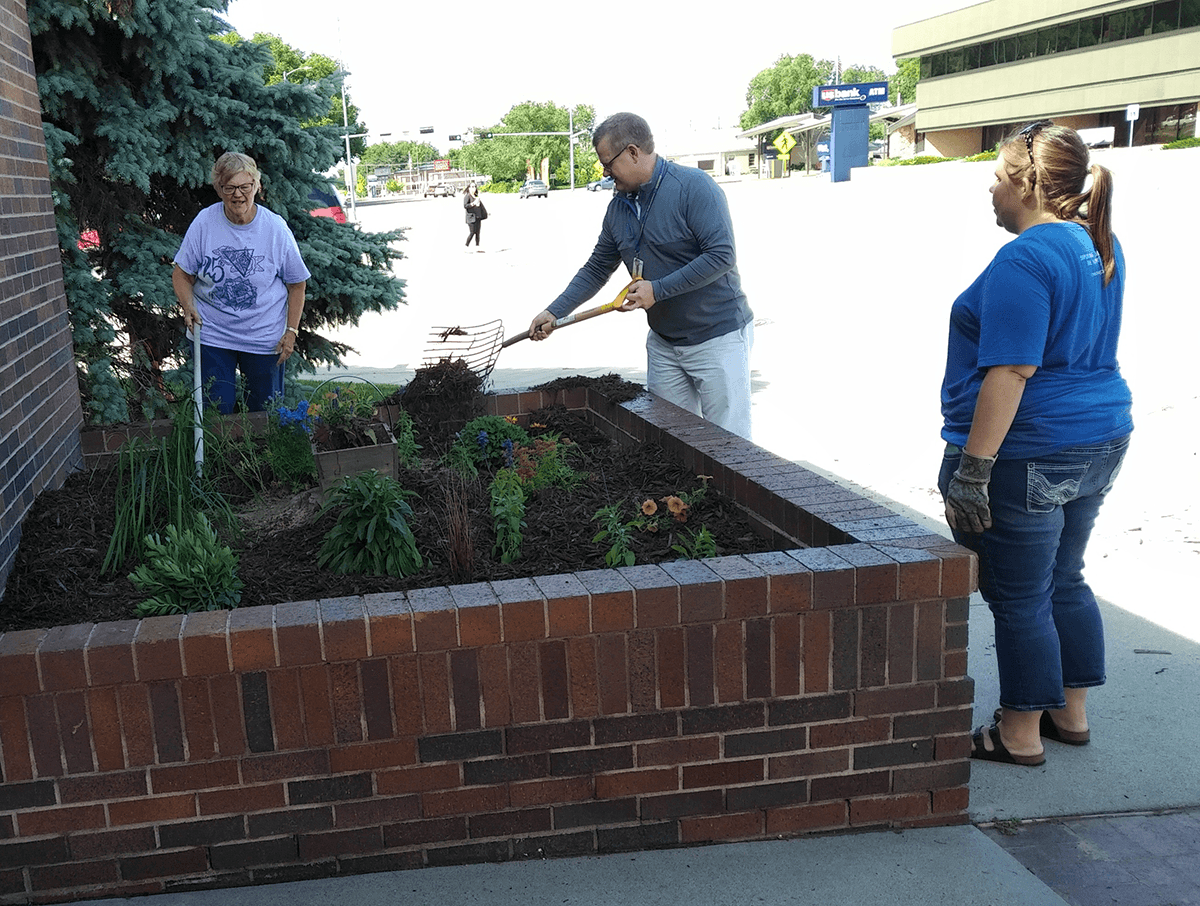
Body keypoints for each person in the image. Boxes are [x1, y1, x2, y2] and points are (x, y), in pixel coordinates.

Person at [938, 121, 1133, 767]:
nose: (990, 189)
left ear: (1024, 182)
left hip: (1033, 448)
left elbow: (1011, 371)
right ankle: (1068, 714)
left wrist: (972, 469)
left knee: (1019, 596)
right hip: (1099, 435)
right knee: (1064, 579)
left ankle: (1018, 732)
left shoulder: (1023, 257)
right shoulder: (1098, 243)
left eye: (996, 176)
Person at [526, 112, 754, 438]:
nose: (604, 172)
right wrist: (554, 311)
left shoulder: (693, 188)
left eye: (608, 162)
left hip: (717, 338)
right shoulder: (618, 208)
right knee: (672, 441)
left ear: (633, 152)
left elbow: (721, 256)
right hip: (664, 342)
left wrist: (657, 290)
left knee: (730, 444)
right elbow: (595, 269)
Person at [173, 151, 310, 414]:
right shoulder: (205, 223)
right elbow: (182, 273)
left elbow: (297, 284)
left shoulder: (275, 228)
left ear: (257, 186)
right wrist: (188, 306)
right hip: (213, 333)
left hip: (263, 336)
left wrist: (291, 331)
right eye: (230, 187)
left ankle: (262, 456)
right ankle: (220, 456)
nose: (238, 194)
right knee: (217, 409)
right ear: (219, 189)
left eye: (245, 186)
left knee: (264, 411)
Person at [463, 183, 484, 249]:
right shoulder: (467, 196)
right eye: (472, 186)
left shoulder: (476, 196)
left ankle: (477, 247)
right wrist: (473, 204)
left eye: (475, 186)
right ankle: (466, 246)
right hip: (471, 218)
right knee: (472, 232)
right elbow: (465, 206)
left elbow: (481, 206)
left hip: (478, 217)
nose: (473, 188)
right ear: (469, 188)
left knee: (478, 233)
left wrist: (485, 212)